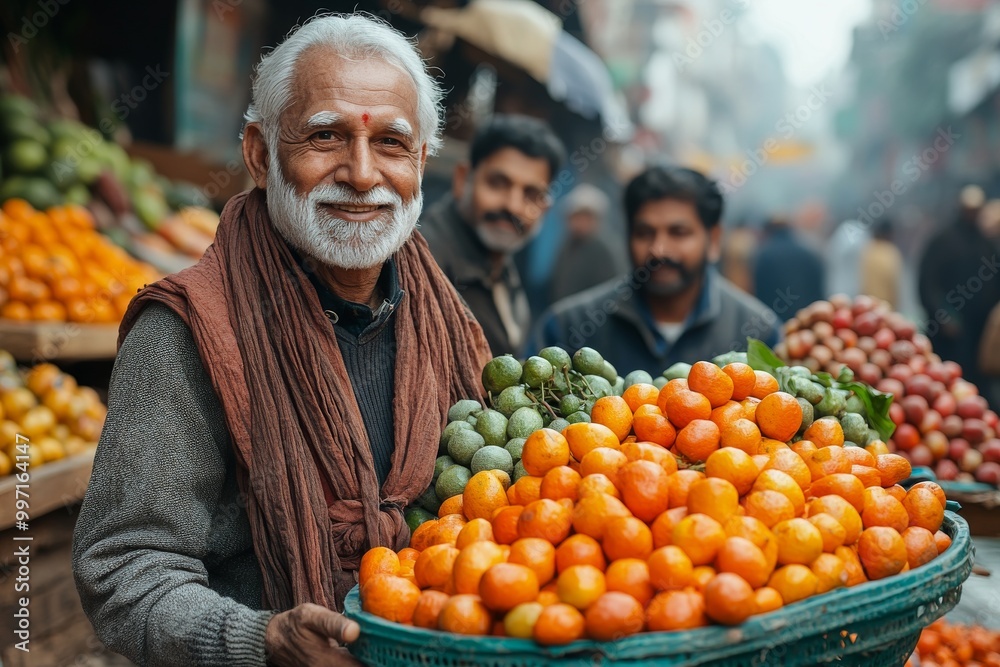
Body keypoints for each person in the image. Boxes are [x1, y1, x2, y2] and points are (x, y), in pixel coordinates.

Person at [72, 14, 492, 667]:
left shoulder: (444, 318)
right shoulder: (186, 332)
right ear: (258, 155)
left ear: (420, 162)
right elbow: (125, 567)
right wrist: (261, 640)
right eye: (325, 136)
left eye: (390, 142)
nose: (361, 173)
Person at [527, 166, 780, 375]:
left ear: (713, 241)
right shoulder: (567, 328)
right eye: (644, 233)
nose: (658, 250)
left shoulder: (758, 332)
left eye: (678, 233)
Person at [420, 114, 565, 355]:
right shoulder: (424, 263)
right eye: (498, 183)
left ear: (544, 208)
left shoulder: (501, 265)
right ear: (462, 179)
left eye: (531, 194)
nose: (513, 206)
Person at [919, 185, 994, 390]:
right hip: (948, 335)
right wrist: (942, 315)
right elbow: (927, 283)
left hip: (979, 332)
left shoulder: (986, 244)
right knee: (945, 383)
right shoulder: (942, 241)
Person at [548, 183, 621, 303]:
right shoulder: (566, 246)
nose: (581, 223)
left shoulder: (601, 251)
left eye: (586, 217)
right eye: (577, 217)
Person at [753, 216, 825, 322]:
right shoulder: (809, 253)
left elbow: (760, 292)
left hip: (775, 321)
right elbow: (818, 291)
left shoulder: (764, 255)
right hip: (806, 322)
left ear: (768, 230)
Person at [859, 217, 903, 309]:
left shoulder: (868, 249)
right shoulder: (890, 252)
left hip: (867, 305)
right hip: (886, 306)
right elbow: (894, 284)